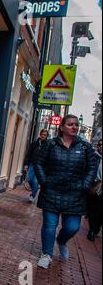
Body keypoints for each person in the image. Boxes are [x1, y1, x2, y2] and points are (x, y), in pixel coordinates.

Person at [35, 115, 99, 269]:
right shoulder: (50, 144)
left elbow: (92, 167)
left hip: (75, 194)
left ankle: (62, 241)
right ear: (62, 127)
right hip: (52, 191)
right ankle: (47, 254)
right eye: (70, 124)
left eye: (76, 125)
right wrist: (44, 182)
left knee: (72, 227)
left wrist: (85, 185)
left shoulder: (85, 147)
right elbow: (38, 163)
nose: (74, 127)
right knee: (50, 225)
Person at [24, 129, 49, 203]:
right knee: (30, 179)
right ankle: (35, 189)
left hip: (41, 166)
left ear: (47, 136)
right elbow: (28, 154)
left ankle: (33, 195)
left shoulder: (47, 145)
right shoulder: (34, 143)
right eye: (42, 134)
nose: (43, 136)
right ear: (40, 134)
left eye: (45, 135)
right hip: (32, 164)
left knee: (35, 181)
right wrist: (26, 164)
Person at [87, 139, 102, 242]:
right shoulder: (94, 157)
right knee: (93, 210)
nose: (101, 147)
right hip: (95, 186)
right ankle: (92, 231)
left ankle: (96, 229)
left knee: (100, 212)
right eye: (100, 145)